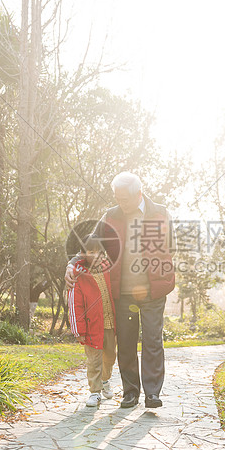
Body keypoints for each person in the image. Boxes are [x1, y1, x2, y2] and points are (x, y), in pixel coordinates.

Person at [66, 172, 175, 409]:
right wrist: (71, 264)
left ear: (138, 194)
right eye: (117, 198)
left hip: (153, 291)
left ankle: (153, 393)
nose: (120, 203)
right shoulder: (110, 216)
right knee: (125, 342)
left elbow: (171, 247)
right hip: (123, 292)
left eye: (124, 198)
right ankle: (131, 392)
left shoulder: (161, 213)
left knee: (153, 340)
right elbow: (90, 246)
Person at [67, 236, 117, 407]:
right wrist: (78, 330)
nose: (95, 255)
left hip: (110, 324)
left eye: (98, 251)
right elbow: (75, 304)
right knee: (94, 360)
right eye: (90, 252)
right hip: (91, 326)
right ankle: (95, 392)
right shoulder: (78, 275)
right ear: (83, 254)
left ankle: (105, 381)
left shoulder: (108, 269)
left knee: (110, 356)